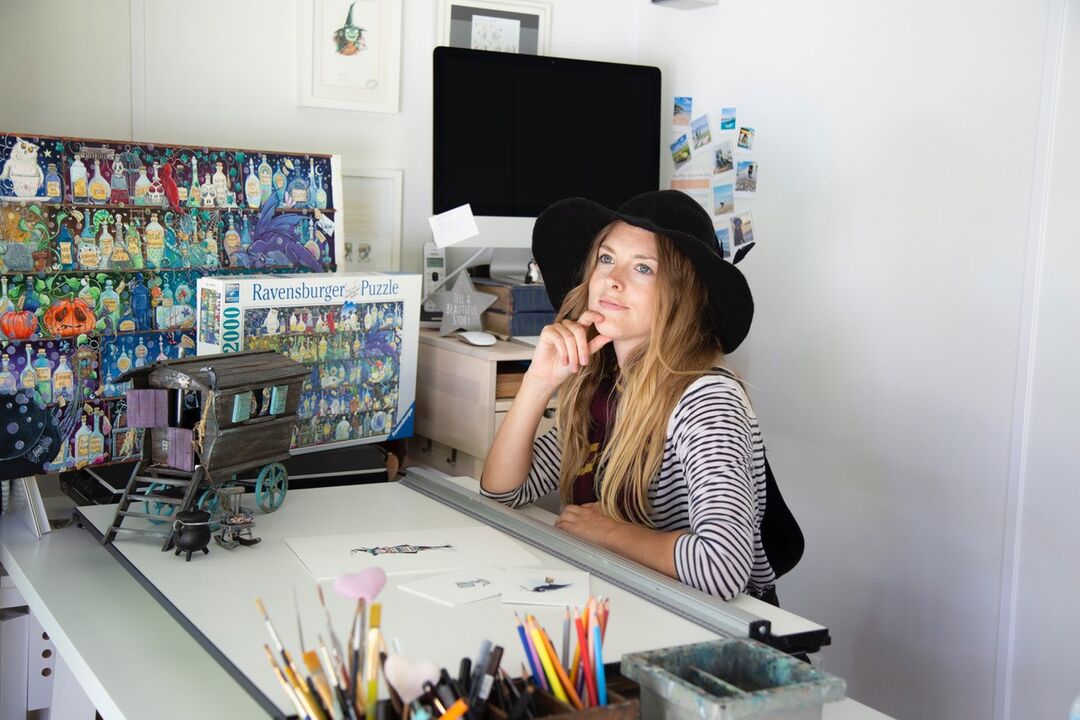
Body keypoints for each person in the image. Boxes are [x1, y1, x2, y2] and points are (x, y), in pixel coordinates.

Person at [480, 190, 801, 602]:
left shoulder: (707, 399)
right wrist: (538, 382)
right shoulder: (605, 387)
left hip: (710, 633)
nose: (613, 279)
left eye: (644, 268)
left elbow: (723, 568)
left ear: (682, 296)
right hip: (631, 603)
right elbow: (503, 491)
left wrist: (609, 531)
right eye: (607, 258)